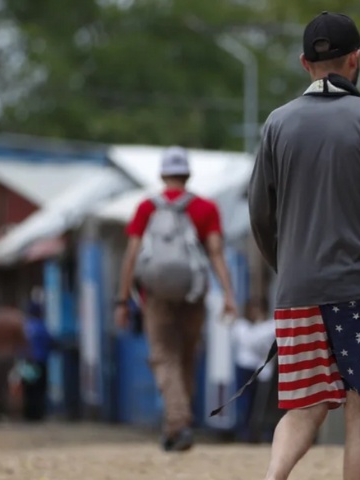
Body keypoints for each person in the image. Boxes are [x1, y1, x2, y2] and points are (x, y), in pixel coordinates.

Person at [247, 11, 360, 480]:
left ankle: (273, 477)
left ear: (304, 63)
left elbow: (259, 214)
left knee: (304, 407)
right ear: (354, 60)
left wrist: (285, 267)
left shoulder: (276, 124)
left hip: (298, 291)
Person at [114, 146, 238, 452]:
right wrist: (228, 294)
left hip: (155, 295)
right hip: (194, 293)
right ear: (187, 174)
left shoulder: (146, 207)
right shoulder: (206, 208)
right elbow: (216, 253)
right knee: (186, 356)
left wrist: (122, 300)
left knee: (163, 355)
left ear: (162, 175)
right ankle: (177, 425)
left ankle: (178, 423)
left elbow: (131, 255)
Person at [231, 301, 276, 443]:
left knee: (258, 402)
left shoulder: (267, 326)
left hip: (259, 369)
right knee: (244, 401)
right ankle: (243, 431)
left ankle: (255, 431)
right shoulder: (242, 326)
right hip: (244, 368)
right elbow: (250, 340)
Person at [0, 306, 28, 424]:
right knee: (12, 386)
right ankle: (13, 414)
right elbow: (22, 340)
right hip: (11, 355)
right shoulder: (16, 319)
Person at [22, 294, 52, 422]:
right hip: (40, 362)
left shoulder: (25, 327)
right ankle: (38, 415)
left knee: (28, 388)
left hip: (27, 363)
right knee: (39, 389)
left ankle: (28, 414)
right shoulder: (41, 326)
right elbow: (50, 341)